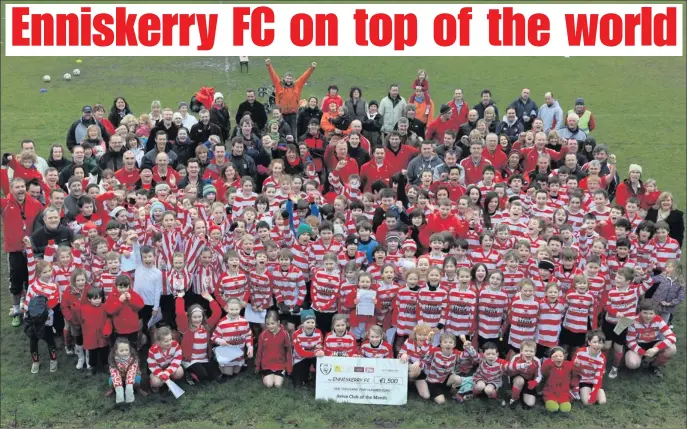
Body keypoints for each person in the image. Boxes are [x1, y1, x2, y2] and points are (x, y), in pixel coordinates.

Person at [1, 177, 44, 326]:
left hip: (32, 250)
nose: (20, 190)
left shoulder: (35, 204)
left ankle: (28, 309)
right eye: (17, 187)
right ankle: (16, 310)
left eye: (22, 187)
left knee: (31, 280)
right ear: (11, 190)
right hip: (14, 250)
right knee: (16, 280)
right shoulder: (5, 204)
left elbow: (43, 222)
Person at [624, 299, 677, 379]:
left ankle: (653, 365)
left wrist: (656, 349)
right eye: (645, 313)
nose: (648, 316)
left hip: (653, 343)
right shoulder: (633, 321)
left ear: (654, 313)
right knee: (632, 364)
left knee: (672, 349)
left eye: (651, 313)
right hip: (638, 344)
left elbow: (672, 337)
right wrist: (643, 352)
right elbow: (630, 342)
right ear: (640, 312)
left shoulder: (658, 320)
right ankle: (640, 360)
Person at [265, 58, 316, 136]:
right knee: (281, 132)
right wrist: (269, 65)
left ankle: (293, 146)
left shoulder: (297, 85)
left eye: (290, 78)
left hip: (293, 114)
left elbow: (304, 77)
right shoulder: (279, 85)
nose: (289, 80)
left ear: (293, 79)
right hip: (281, 114)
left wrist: (312, 68)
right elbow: (273, 75)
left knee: (292, 133)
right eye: (287, 78)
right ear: (284, 79)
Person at [255, 310, 292, 388]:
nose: (270, 326)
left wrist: (289, 368)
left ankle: (281, 373)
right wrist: (257, 366)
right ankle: (264, 374)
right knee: (269, 384)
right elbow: (259, 352)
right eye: (267, 324)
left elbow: (288, 352)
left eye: (272, 323)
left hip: (280, 364)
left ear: (278, 322)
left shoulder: (285, 334)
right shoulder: (263, 335)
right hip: (266, 365)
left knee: (278, 385)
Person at [147, 326, 184, 393]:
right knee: (156, 382)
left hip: (169, 367)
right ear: (158, 342)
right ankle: (153, 384)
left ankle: (170, 379)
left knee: (179, 372)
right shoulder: (152, 350)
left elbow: (177, 360)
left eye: (170, 339)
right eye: (166, 341)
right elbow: (153, 366)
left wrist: (167, 373)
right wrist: (161, 374)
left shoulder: (175, 345)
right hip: (157, 369)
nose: (169, 342)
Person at [541, 346, 577, 413]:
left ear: (564, 357)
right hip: (550, 391)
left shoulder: (567, 364)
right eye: (555, 356)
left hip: (563, 392)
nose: (558, 358)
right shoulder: (549, 365)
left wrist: (577, 365)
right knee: (553, 408)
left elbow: (576, 371)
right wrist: (550, 361)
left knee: (565, 409)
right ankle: (550, 401)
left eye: (560, 356)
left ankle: (563, 401)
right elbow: (543, 371)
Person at [108, 338, 140, 406]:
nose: (125, 352)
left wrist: (129, 387)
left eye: (126, 350)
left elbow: (132, 372)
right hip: (120, 376)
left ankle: (136, 390)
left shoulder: (134, 359)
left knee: (137, 379)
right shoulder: (113, 360)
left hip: (132, 376)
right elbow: (115, 374)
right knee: (111, 381)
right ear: (116, 351)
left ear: (129, 349)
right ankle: (116, 393)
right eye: (121, 350)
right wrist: (119, 390)